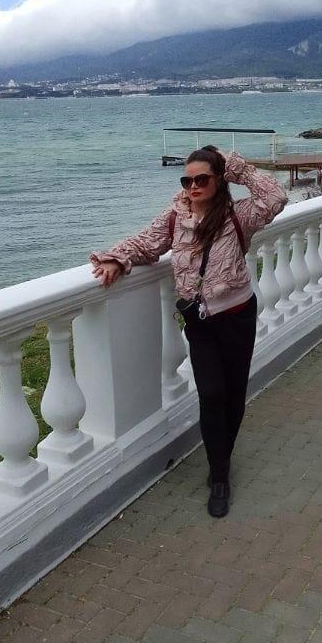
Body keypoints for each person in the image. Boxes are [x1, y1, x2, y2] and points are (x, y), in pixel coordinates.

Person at [90, 146, 287, 517]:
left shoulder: (239, 215)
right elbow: (146, 242)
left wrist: (238, 169)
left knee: (234, 394)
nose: (193, 186)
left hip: (238, 315)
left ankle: (221, 463)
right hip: (200, 321)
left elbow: (275, 197)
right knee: (212, 394)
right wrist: (117, 258)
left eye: (202, 179)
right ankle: (219, 474)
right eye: (187, 180)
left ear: (219, 180)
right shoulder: (175, 217)